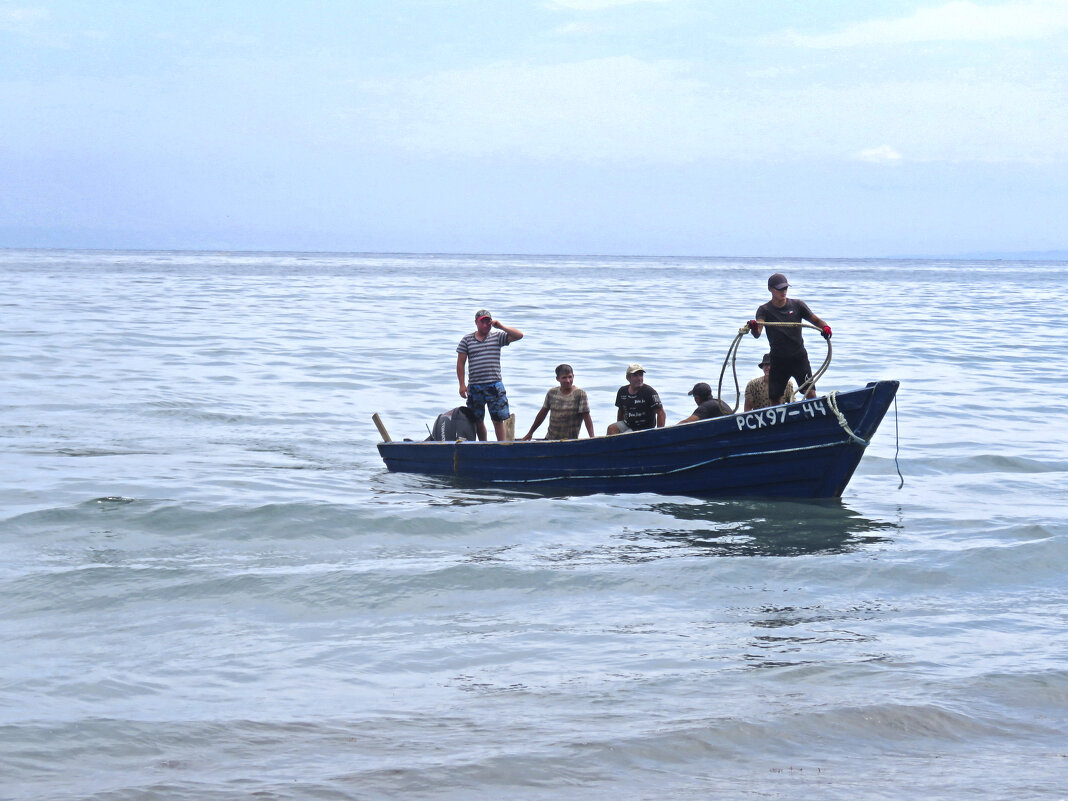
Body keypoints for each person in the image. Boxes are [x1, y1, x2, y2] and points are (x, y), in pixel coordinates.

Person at [747, 273, 831, 405]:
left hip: (799, 358)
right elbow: (757, 333)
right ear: (770, 289)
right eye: (779, 289)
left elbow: (816, 320)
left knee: (810, 393)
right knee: (775, 398)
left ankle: (814, 418)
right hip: (778, 360)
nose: (783, 291)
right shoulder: (764, 310)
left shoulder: (797, 305)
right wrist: (753, 327)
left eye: (785, 288)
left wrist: (825, 328)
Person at [456, 309, 523, 441]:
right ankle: (483, 445)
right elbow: (460, 363)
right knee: (478, 420)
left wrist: (501, 326)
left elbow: (519, 335)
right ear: (476, 322)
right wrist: (462, 385)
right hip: (475, 386)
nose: (485, 325)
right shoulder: (467, 340)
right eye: (482, 322)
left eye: (488, 322)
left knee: (498, 419)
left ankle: (502, 447)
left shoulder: (497, 337)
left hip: (494, 384)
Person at [521, 364, 595, 441]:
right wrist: (530, 433)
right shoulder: (552, 393)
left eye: (570, 377)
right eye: (564, 378)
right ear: (557, 379)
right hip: (550, 439)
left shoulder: (580, 394)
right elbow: (542, 414)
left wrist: (592, 438)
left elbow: (587, 418)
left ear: (573, 376)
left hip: (570, 441)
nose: (568, 381)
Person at [607, 364, 665, 435]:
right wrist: (619, 429)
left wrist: (659, 433)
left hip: (645, 428)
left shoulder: (649, 392)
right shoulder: (622, 391)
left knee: (627, 434)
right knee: (611, 428)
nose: (639, 378)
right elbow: (620, 412)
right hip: (628, 425)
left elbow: (661, 413)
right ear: (628, 378)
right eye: (635, 375)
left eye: (641, 375)